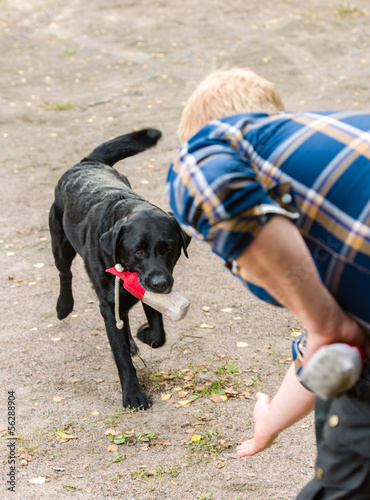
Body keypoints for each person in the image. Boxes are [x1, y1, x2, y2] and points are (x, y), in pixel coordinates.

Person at [166, 68, 370, 499]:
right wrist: (271, 420)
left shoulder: (213, 149)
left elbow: (331, 332)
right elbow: (327, 346)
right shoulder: (335, 172)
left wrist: (324, 323)